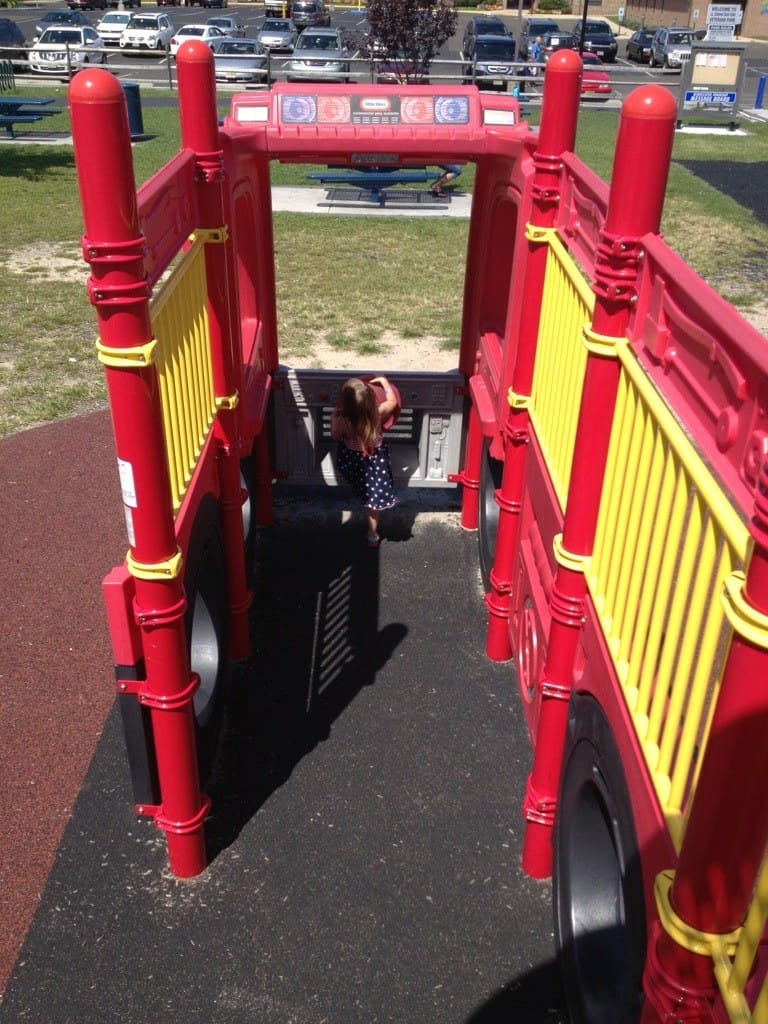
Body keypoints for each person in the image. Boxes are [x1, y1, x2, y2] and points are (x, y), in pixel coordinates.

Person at [330, 376, 400, 547]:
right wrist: (384, 382)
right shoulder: (377, 414)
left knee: (362, 488)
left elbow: (335, 436)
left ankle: (363, 495)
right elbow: (393, 401)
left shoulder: (342, 420)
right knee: (372, 503)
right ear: (371, 401)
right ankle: (373, 534)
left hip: (352, 462)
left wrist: (334, 417)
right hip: (375, 464)